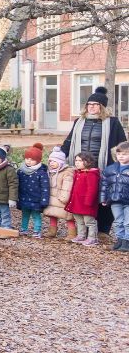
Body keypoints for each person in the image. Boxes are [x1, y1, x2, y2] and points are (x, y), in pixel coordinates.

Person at [61, 87, 128, 234]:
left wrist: (120, 163)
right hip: (81, 168)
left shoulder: (112, 123)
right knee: (83, 197)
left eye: (95, 104)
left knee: (103, 198)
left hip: (104, 166)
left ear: (102, 106)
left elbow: (121, 144)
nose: (91, 107)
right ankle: (84, 229)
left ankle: (103, 230)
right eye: (89, 104)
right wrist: (60, 154)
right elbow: (69, 140)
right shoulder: (79, 122)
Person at [66, 153, 101, 246]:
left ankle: (92, 238)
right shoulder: (78, 173)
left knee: (89, 221)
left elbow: (92, 189)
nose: (77, 163)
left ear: (88, 162)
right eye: (76, 160)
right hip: (77, 202)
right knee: (79, 220)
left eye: (80, 161)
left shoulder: (91, 174)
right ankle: (81, 235)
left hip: (87, 203)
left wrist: (89, 201)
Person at [100, 141, 129, 252]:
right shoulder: (110, 169)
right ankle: (120, 240)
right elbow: (104, 185)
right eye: (119, 154)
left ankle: (126, 242)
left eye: (125, 154)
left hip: (127, 201)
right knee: (118, 221)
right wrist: (103, 198)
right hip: (115, 200)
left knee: (127, 222)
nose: (121, 156)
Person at [16, 143, 50, 238]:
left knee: (36, 216)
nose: (29, 161)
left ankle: (37, 230)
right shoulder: (21, 171)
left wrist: (44, 200)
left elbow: (45, 187)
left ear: (38, 160)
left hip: (36, 199)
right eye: (27, 159)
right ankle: (24, 229)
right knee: (25, 214)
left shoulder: (41, 173)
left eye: (32, 159)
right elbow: (16, 184)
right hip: (24, 197)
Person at [44, 147, 75, 240]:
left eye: (54, 161)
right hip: (52, 198)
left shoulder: (67, 172)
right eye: (50, 161)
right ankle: (52, 231)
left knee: (68, 217)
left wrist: (64, 198)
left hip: (61, 199)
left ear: (61, 162)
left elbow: (67, 187)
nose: (51, 163)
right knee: (53, 215)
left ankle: (72, 233)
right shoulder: (50, 172)